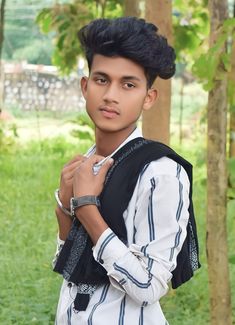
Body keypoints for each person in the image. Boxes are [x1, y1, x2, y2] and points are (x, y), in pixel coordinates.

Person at [53, 17, 200, 325]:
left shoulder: (160, 173)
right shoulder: (86, 166)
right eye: (101, 80)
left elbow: (150, 287)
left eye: (128, 84)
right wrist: (63, 211)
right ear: (85, 86)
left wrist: (87, 209)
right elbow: (70, 269)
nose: (110, 95)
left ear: (148, 97)